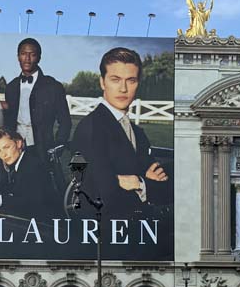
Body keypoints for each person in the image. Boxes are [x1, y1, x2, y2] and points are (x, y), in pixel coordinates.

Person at [70, 47, 170, 218]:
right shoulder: (91, 128)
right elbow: (103, 193)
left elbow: (162, 183)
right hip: (106, 226)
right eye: (115, 79)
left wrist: (136, 182)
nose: (123, 89)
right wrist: (143, 181)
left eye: (131, 80)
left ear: (138, 83)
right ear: (102, 82)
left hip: (137, 220)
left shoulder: (137, 132)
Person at [3, 37, 71, 157]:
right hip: (15, 149)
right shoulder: (11, 87)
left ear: (39, 58)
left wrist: (57, 147)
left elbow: (65, 121)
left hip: (42, 150)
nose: (27, 59)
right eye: (23, 54)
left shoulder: (53, 86)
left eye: (32, 54)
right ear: (18, 57)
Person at [0, 128, 60, 217]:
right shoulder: (22, 162)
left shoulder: (31, 166)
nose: (3, 155)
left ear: (18, 143)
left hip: (46, 220)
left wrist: (2, 200)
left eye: (6, 147)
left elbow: (32, 202)